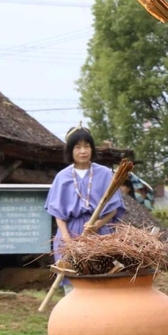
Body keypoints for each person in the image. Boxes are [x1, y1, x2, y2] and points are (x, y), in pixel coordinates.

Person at [44, 125, 125, 291]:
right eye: (78, 147)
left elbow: (113, 208)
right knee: (73, 281)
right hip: (71, 233)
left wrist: (98, 224)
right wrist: (66, 238)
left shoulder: (104, 174)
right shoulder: (62, 177)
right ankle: (75, 315)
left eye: (87, 146)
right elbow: (57, 213)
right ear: (70, 150)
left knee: (100, 278)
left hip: (99, 234)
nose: (83, 151)